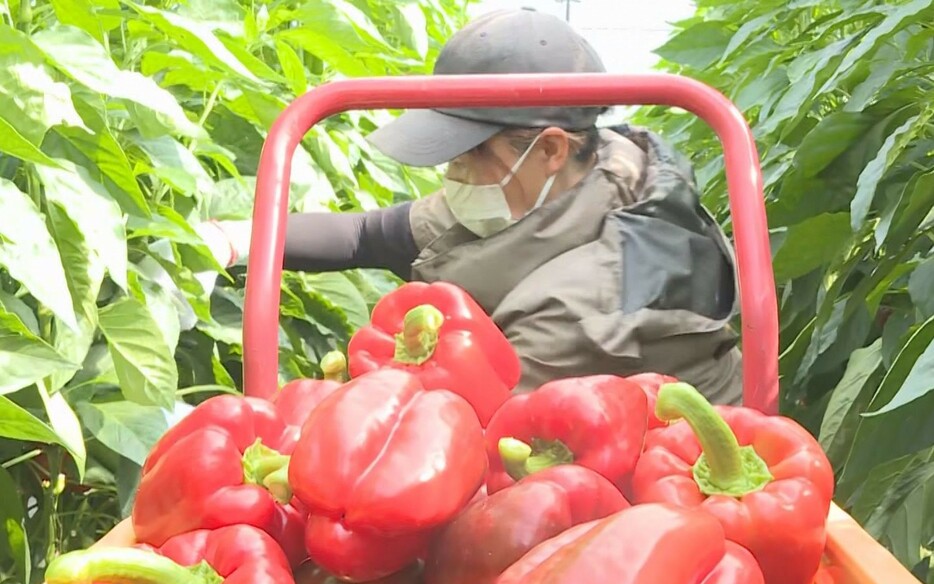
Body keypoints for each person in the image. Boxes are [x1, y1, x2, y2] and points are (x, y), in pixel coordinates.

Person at [207, 9, 744, 405]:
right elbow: (369, 235)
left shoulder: (590, 305)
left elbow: (436, 428)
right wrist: (224, 239)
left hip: (656, 493)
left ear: (552, 148)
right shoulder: (570, 179)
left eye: (465, 156)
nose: (452, 177)